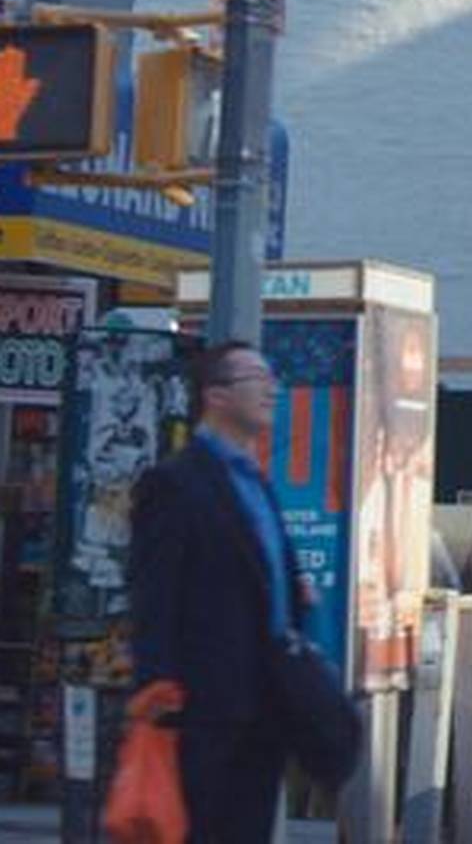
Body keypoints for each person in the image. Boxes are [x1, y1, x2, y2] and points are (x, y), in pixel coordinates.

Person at [131, 340, 307, 842]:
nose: (272, 388)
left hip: (262, 711)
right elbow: (155, 592)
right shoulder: (175, 484)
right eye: (257, 378)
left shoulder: (255, 481)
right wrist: (159, 687)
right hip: (204, 713)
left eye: (272, 376)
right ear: (217, 396)